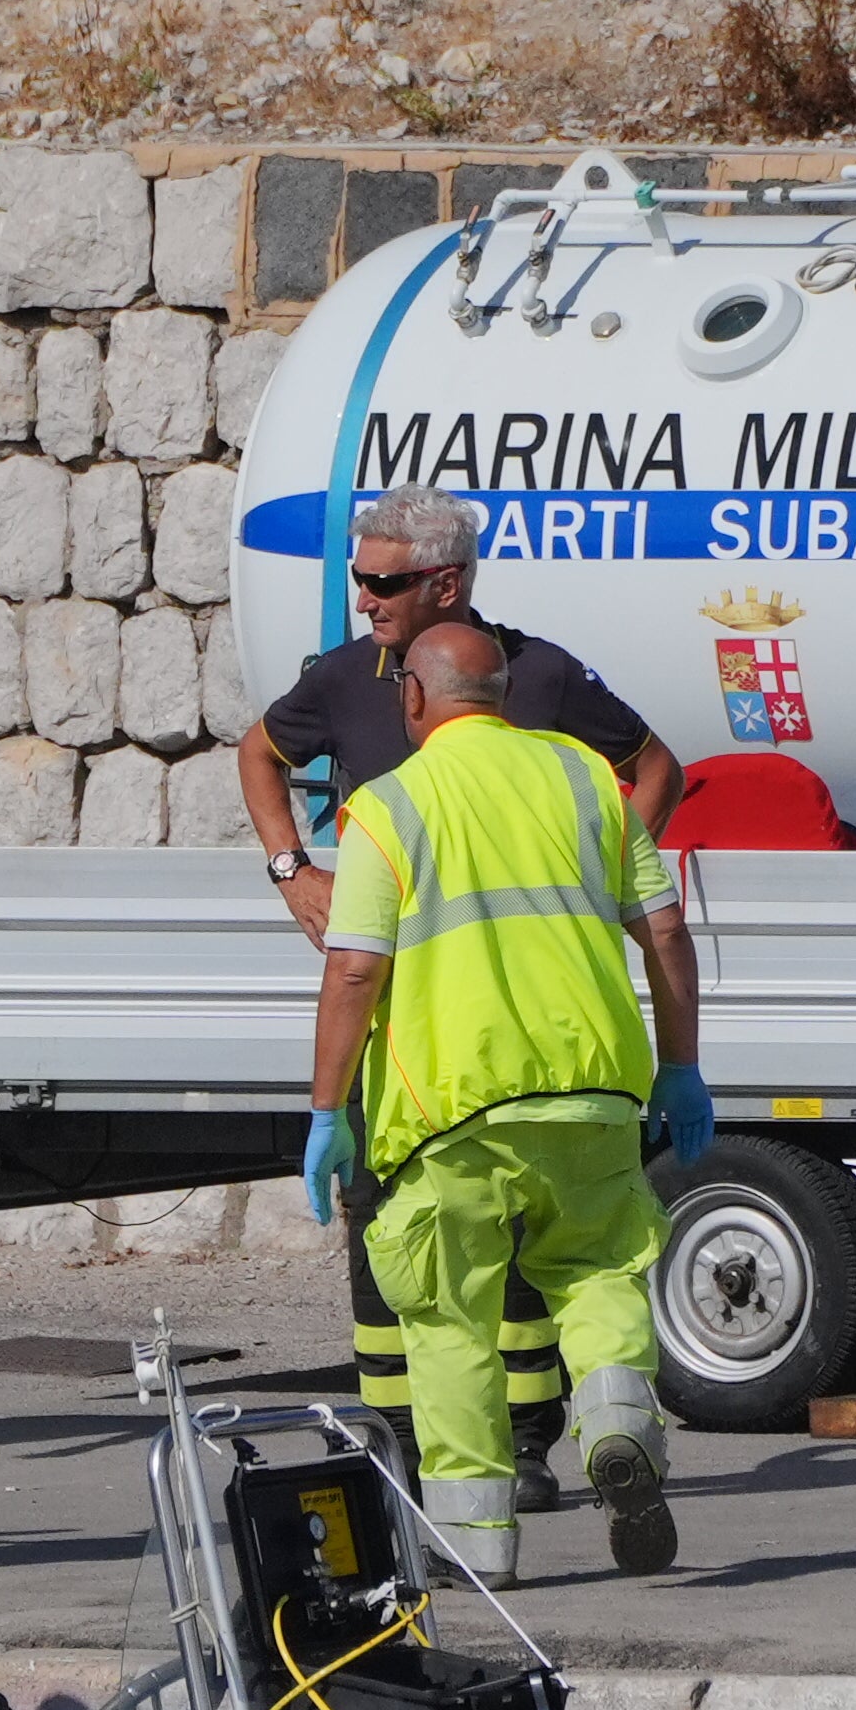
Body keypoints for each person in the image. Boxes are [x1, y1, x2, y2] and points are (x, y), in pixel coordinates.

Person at [240, 486, 685, 1502]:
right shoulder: (349, 679)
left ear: (447, 582)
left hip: (498, 1023)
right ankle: (396, 1445)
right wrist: (290, 870)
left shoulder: (530, 676)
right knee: (394, 1240)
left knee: (510, 1252)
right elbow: (258, 752)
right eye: (357, 578)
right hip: (397, 1027)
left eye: (384, 582)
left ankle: (514, 1452)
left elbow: (652, 768)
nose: (363, 600)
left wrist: (608, 872)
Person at [301, 617, 709, 1584]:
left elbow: (355, 971)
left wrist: (326, 1111)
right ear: (500, 695)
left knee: (448, 1320)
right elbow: (665, 933)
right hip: (596, 1092)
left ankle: (481, 1547)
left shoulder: (389, 807)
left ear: (414, 698)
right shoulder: (583, 784)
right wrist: (681, 1066)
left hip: (452, 1112)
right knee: (601, 1273)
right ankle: (618, 1430)